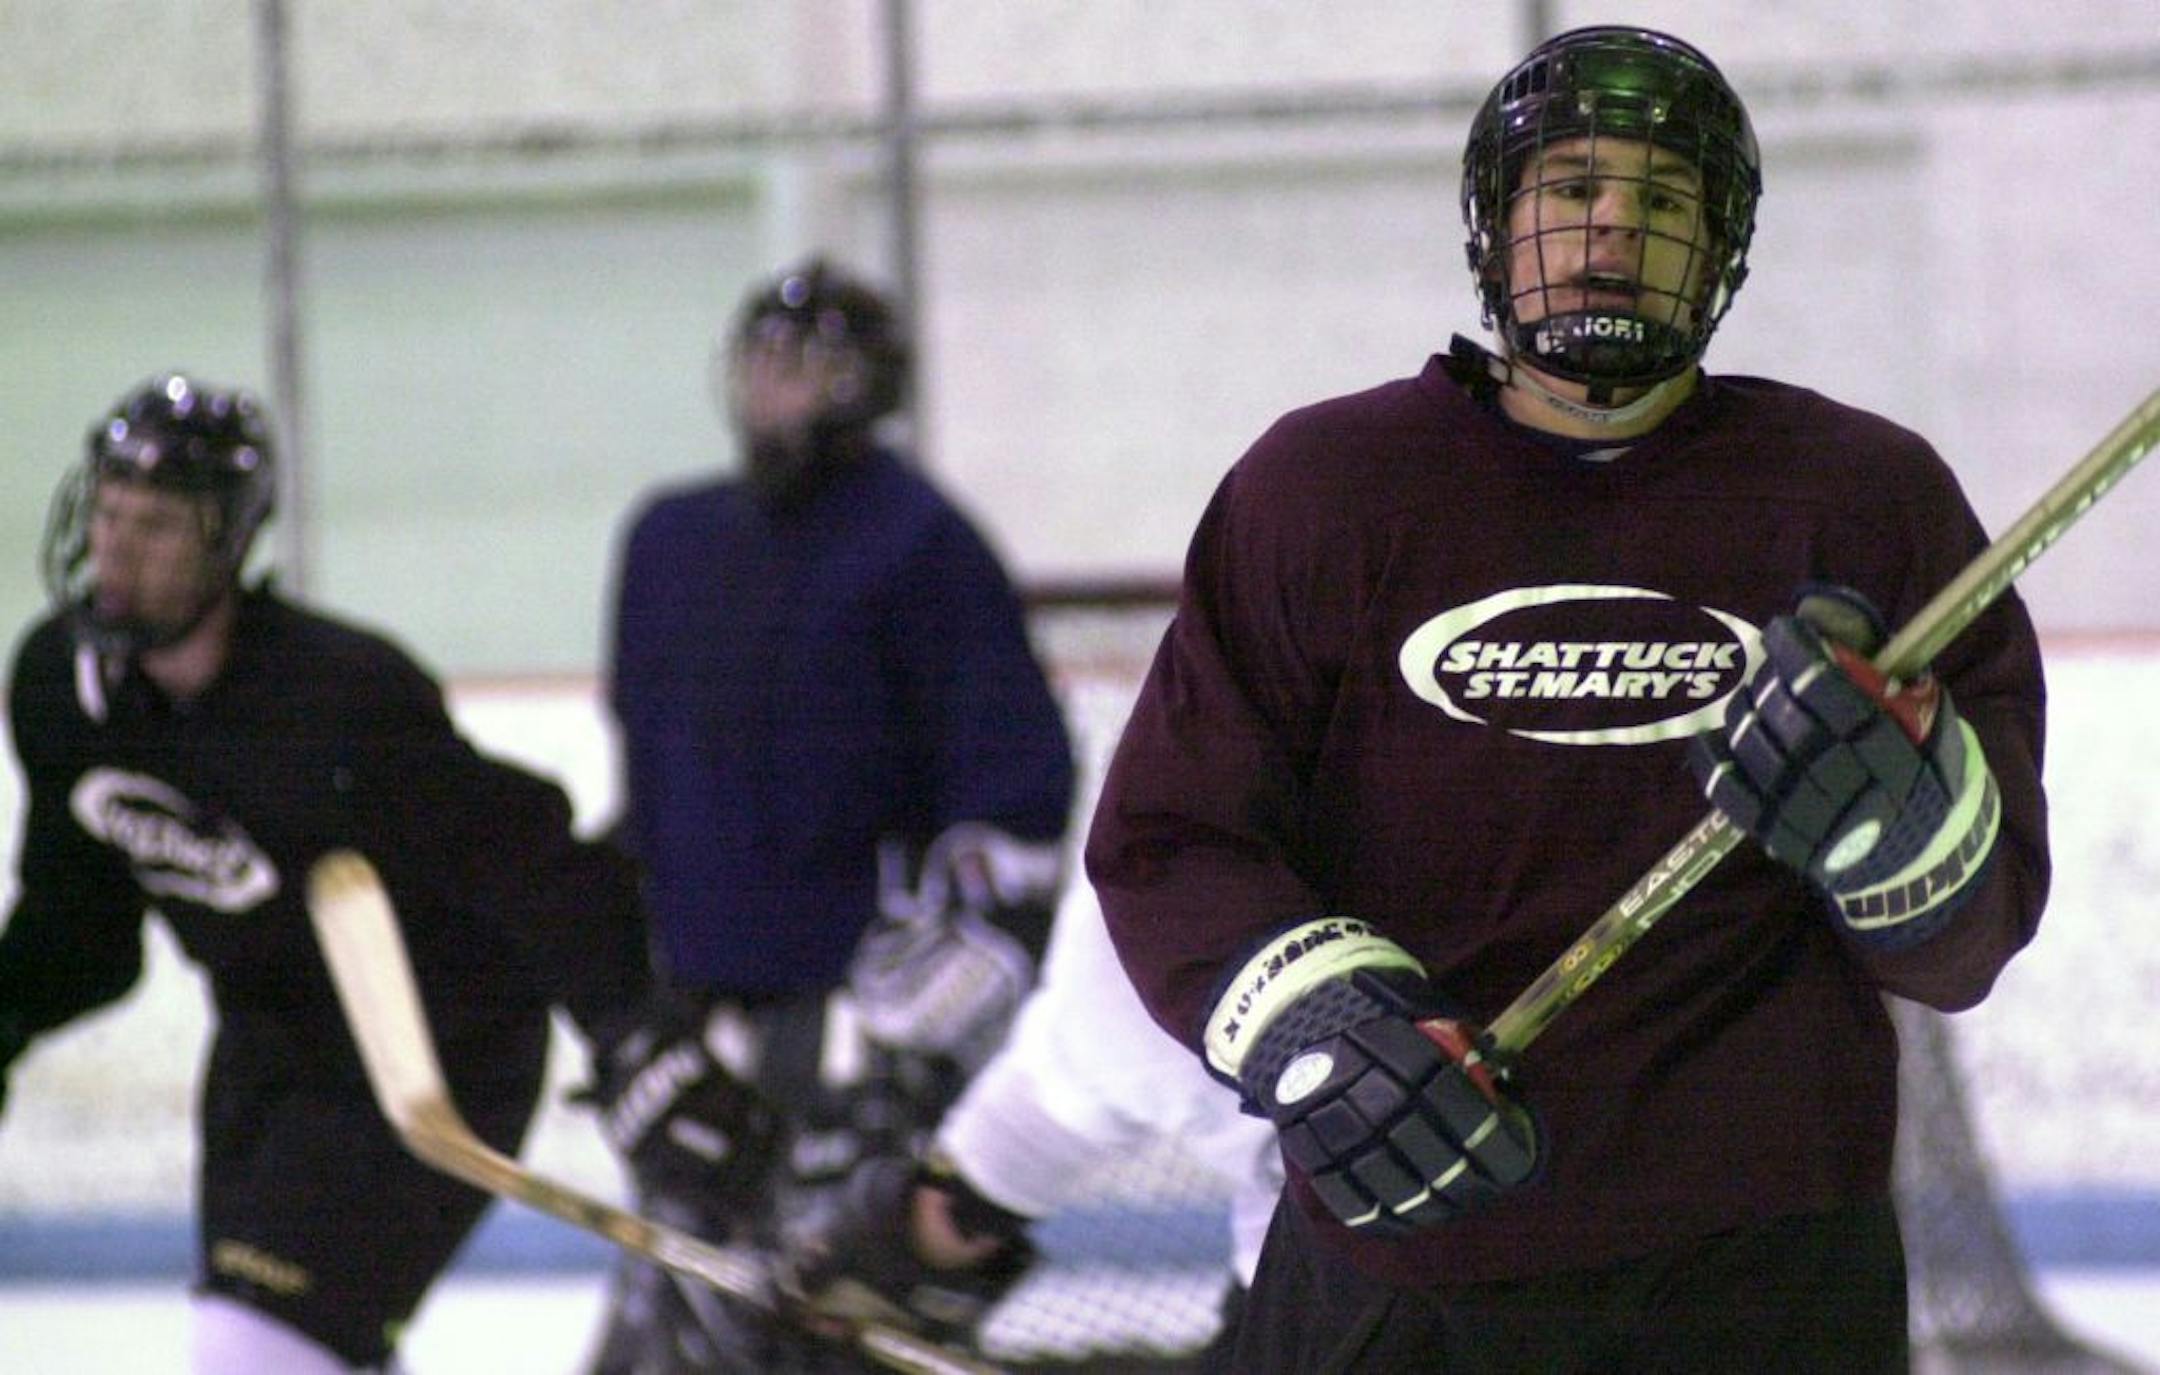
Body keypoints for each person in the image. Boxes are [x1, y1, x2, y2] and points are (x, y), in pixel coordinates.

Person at [1085, 26, 2048, 1375]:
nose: (1613, 231)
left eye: (1663, 201)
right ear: (1495, 225)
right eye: (1572, 188)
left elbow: (1972, 937)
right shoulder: (1325, 488)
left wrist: (1904, 827)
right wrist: (1325, 1033)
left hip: (1762, 1276)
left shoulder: (1864, 498)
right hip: (1400, 1264)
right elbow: (1174, 839)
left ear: (1722, 250)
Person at [0, 373, 768, 1375]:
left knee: (253, 1350)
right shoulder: (61, 685)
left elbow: (534, 859)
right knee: (302, 1346)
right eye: (106, 513)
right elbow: (85, 929)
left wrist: (632, 1034)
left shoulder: (335, 696)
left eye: (155, 526)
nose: (115, 552)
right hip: (269, 1056)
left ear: (226, 544)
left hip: (435, 1052)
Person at [594, 257, 1076, 1371]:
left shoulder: (921, 542)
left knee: (843, 1328)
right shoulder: (668, 539)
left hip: (861, 1022)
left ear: (873, 386)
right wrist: (627, 989)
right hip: (698, 1010)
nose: (778, 389)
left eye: (810, 366)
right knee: (671, 1331)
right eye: (763, 362)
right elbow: (653, 776)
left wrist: (946, 1000)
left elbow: (1013, 786)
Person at [780, 880, 1283, 1358]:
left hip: (1324, 1276)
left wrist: (918, 1229)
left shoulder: (1174, 854)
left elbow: (1106, 1031)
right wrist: (924, 1226)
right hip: (1307, 1266)